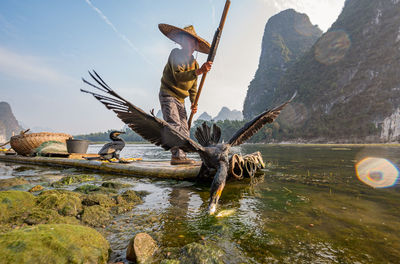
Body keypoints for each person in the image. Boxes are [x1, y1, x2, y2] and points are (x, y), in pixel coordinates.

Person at [158, 24, 212, 165]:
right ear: (181, 42)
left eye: (191, 41)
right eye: (185, 40)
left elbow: (193, 87)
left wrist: (194, 102)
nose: (188, 43)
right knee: (174, 125)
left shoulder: (195, 64)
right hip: (168, 94)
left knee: (185, 130)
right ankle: (176, 157)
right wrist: (199, 71)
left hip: (180, 99)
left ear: (195, 44)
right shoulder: (175, 54)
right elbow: (178, 76)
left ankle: (182, 156)